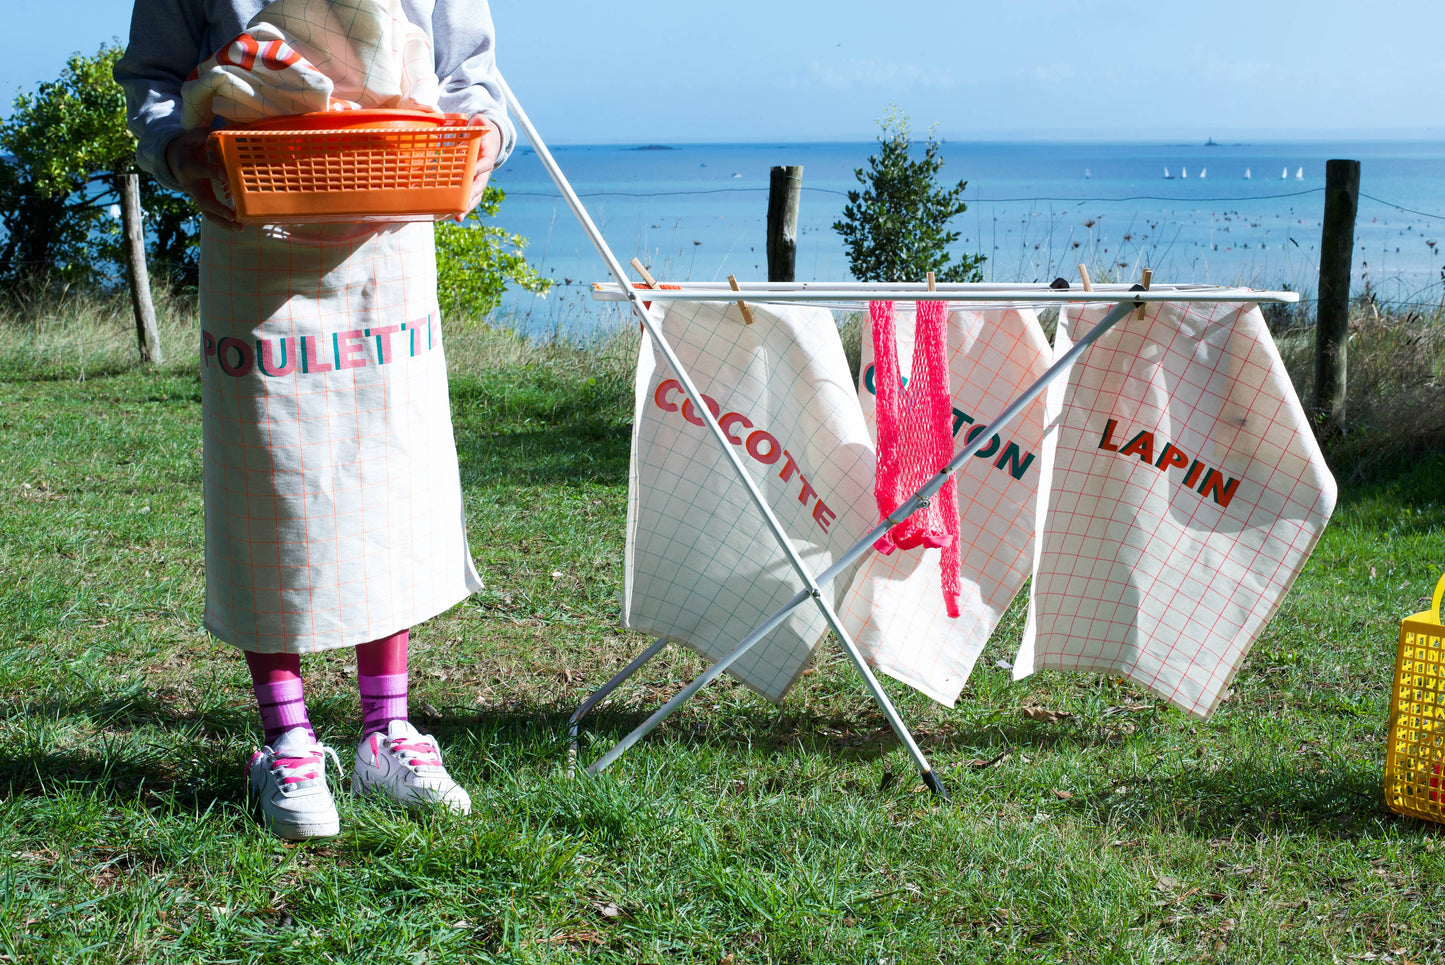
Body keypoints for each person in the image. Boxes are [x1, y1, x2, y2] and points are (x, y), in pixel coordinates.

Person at [114, 0, 514, 840]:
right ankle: (288, 740)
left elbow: (468, 77)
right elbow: (151, 78)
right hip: (253, 227)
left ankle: (387, 731)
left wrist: (482, 141)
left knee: (387, 472)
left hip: (391, 222)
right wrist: (180, 151)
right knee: (271, 478)